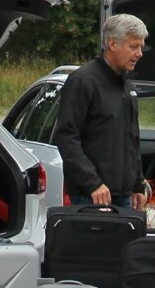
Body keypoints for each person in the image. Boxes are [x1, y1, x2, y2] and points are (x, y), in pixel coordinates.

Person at [52, 14, 149, 209]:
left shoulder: (127, 86)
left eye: (141, 46)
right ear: (112, 44)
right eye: (133, 46)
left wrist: (138, 184)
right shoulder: (83, 81)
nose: (140, 53)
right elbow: (66, 137)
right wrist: (92, 183)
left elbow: (132, 139)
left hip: (124, 197)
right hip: (91, 196)